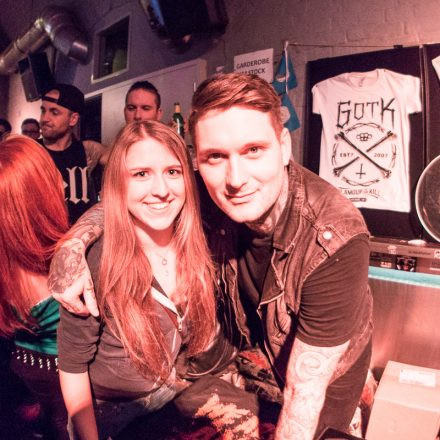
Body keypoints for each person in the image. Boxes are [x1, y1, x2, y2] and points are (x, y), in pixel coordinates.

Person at [48, 73, 373, 440]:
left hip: (319, 387)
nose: (235, 178)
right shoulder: (203, 192)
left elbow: (305, 394)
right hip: (247, 364)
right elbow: (128, 200)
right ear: (198, 162)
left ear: (284, 146)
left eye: (254, 150)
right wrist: (73, 246)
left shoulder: (333, 238)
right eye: (216, 156)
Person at [57, 120, 217, 440]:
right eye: (141, 174)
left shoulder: (196, 240)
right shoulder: (98, 260)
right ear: (118, 183)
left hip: (169, 395)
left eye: (172, 171)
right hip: (111, 414)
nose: (161, 189)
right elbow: (72, 365)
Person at [0, 135, 70, 439]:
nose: (63, 184)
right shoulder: (65, 265)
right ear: (39, 195)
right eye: (53, 176)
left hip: (23, 381)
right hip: (65, 389)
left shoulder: (7, 263)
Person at [40, 83, 108, 224]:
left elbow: (127, 163)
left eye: (54, 112)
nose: (44, 118)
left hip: (81, 236)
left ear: (73, 119)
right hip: (42, 237)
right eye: (43, 110)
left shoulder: (88, 150)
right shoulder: (31, 152)